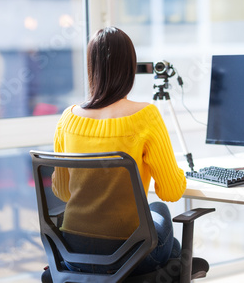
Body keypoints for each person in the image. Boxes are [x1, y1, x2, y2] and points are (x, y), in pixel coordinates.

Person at [51, 26, 187, 275]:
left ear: (91, 67)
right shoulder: (145, 117)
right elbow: (171, 191)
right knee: (162, 215)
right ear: (129, 68)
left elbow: (62, 191)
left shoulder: (67, 120)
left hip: (71, 251)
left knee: (168, 240)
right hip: (128, 253)